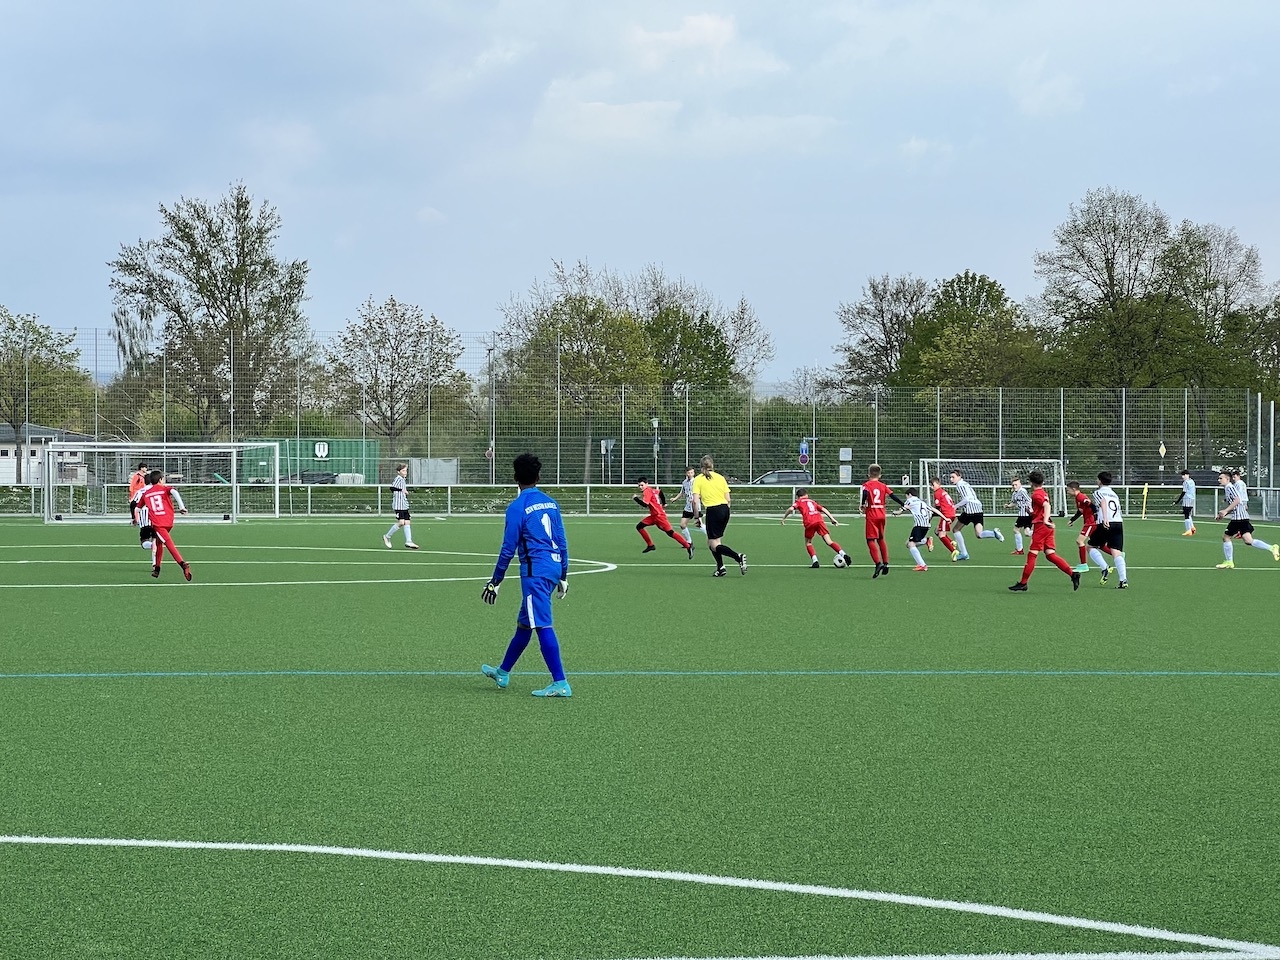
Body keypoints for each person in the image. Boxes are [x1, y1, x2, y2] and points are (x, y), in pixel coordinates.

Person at [480, 453, 572, 698]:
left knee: (542, 624)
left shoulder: (517, 507)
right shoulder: (551, 503)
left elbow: (507, 549)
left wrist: (495, 581)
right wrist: (563, 574)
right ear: (538, 477)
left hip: (535, 573)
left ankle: (560, 682)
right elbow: (562, 541)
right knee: (525, 624)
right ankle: (503, 672)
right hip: (552, 568)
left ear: (515, 478)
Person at [1008, 470, 1080, 593]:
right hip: (1048, 528)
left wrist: (1045, 520)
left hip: (1042, 526)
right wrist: (1032, 513)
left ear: (1031, 482)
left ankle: (1023, 583)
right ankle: (1073, 574)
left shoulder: (1036, 494)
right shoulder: (1043, 492)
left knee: (1032, 554)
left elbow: (1046, 506)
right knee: (1050, 555)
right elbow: (1042, 508)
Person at [130, 470, 192, 581]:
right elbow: (174, 491)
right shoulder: (164, 489)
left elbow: (137, 508)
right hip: (168, 521)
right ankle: (157, 568)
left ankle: (182, 564)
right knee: (159, 543)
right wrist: (181, 507)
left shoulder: (146, 494)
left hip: (158, 523)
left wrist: (135, 519)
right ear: (160, 480)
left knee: (168, 544)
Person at [691, 455, 746, 577]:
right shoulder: (720, 478)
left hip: (713, 510)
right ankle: (720, 568)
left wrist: (697, 517)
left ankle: (738, 557)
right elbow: (728, 499)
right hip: (725, 509)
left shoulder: (698, 479)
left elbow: (695, 501)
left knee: (713, 544)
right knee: (714, 541)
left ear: (701, 467)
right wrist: (724, 511)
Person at [1214, 470, 1279, 569]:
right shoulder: (1228, 488)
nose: (1219, 480)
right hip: (1242, 517)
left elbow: (1237, 500)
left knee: (1226, 537)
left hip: (1238, 518)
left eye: (1221, 478)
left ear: (1227, 479)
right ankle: (1272, 548)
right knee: (1248, 540)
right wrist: (1224, 514)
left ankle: (1229, 562)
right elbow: (1237, 505)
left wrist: (1225, 510)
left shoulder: (1229, 487)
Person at [781, 488, 849, 568]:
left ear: (798, 496)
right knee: (829, 541)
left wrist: (784, 518)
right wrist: (832, 519)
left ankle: (815, 561)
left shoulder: (799, 501)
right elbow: (823, 509)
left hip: (810, 522)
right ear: (806, 495)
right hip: (819, 520)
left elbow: (791, 509)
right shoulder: (812, 501)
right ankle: (843, 554)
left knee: (808, 542)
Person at [861, 464, 904, 578]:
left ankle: (878, 563)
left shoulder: (866, 485)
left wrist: (863, 503)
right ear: (880, 475)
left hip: (872, 514)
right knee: (881, 539)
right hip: (881, 514)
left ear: (868, 474)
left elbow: (865, 493)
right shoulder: (883, 485)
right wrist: (902, 504)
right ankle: (886, 563)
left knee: (870, 540)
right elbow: (892, 495)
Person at [949, 469, 1004, 558]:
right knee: (979, 534)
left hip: (970, 510)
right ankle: (994, 533)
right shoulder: (966, 484)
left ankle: (964, 554)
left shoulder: (960, 485)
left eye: (953, 477)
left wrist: (955, 506)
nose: (951, 479)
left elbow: (967, 499)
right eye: (950, 477)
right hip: (978, 509)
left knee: (956, 529)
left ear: (959, 476)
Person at [634, 478, 694, 557]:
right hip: (654, 516)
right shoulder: (652, 490)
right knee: (639, 526)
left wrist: (636, 499)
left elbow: (645, 504)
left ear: (647, 484)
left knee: (670, 533)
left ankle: (688, 546)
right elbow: (660, 492)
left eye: (642, 485)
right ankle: (650, 545)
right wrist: (664, 503)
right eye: (639, 485)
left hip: (659, 516)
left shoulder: (647, 491)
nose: (640, 487)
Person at [1089, 472, 1129, 589]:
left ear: (1100, 481)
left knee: (1090, 546)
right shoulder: (1114, 494)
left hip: (1105, 523)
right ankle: (1123, 580)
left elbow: (1103, 502)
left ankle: (1104, 567)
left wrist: (1105, 518)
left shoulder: (1098, 492)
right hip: (1118, 522)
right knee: (1116, 552)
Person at [894, 487, 941, 571]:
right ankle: (926, 541)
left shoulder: (910, 500)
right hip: (926, 525)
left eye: (906, 496)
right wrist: (944, 517)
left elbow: (901, 511)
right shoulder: (922, 502)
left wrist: (895, 512)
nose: (906, 498)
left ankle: (922, 565)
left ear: (909, 494)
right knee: (908, 544)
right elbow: (932, 510)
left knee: (911, 544)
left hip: (919, 525)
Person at [1066, 480, 1101, 573]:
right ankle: (1119, 554)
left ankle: (1084, 565)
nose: (1068, 492)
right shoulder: (1078, 498)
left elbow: (1092, 506)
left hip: (1090, 523)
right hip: (1089, 522)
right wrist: (1072, 520)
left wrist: (1095, 518)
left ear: (1074, 489)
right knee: (1098, 544)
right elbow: (1080, 511)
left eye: (1068, 490)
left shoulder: (1081, 497)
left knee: (1079, 541)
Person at [382, 463, 420, 549]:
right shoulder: (398, 478)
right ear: (399, 472)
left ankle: (409, 541)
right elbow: (392, 488)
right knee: (401, 522)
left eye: (406, 470)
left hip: (404, 504)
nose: (405, 472)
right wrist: (402, 490)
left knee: (407, 522)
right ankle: (387, 536)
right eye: (403, 470)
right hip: (398, 505)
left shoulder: (403, 479)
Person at [929, 477, 961, 560]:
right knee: (937, 531)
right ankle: (951, 542)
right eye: (931, 485)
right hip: (952, 514)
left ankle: (953, 551)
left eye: (933, 485)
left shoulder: (937, 493)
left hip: (947, 515)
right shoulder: (943, 491)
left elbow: (937, 508)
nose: (932, 487)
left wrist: (930, 517)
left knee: (941, 535)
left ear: (938, 484)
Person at [1006, 476, 1034, 556]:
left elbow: (1029, 500)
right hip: (1025, 515)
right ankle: (1039, 533)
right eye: (1013, 485)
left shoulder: (1022, 491)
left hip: (1024, 514)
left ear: (1020, 484)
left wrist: (1029, 509)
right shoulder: (1015, 493)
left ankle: (1020, 550)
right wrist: (1008, 506)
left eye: (1016, 484)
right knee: (1027, 533)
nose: (1014, 486)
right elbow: (1014, 503)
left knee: (1016, 530)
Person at [128, 461, 152, 550]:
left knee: (144, 540)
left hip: (141, 499)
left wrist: (133, 517)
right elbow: (132, 486)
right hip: (137, 496)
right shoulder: (137, 476)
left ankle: (137, 521)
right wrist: (131, 495)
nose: (146, 469)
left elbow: (133, 505)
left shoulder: (142, 488)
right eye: (144, 467)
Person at [675, 467, 702, 541]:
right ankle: (689, 541)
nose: (690, 474)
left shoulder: (696, 482)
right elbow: (682, 492)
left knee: (700, 525)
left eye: (692, 472)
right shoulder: (684, 482)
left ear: (694, 473)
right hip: (688, 507)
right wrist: (675, 498)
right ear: (686, 473)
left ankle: (712, 538)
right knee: (682, 525)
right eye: (689, 473)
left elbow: (701, 493)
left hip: (695, 506)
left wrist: (695, 498)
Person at [1173, 469, 1197, 536]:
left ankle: (1188, 530)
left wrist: (1177, 501)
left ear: (1187, 475)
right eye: (1182, 475)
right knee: (1188, 514)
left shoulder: (1186, 482)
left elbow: (1184, 492)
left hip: (1187, 499)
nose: (1182, 477)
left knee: (1186, 514)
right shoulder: (1192, 481)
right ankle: (1192, 527)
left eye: (1184, 475)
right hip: (1192, 499)